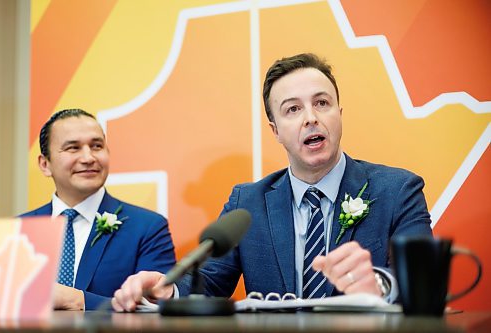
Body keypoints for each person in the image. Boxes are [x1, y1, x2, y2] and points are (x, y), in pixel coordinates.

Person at [112, 53, 432, 312]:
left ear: (339, 113)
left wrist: (378, 286)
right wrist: (167, 289)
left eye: (322, 103)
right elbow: (208, 281)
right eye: (293, 109)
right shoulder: (247, 202)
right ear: (275, 130)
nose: (311, 118)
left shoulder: (397, 189)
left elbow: (424, 284)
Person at [21, 109, 176, 310]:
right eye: (73, 148)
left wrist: (77, 300)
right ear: (45, 164)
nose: (88, 157)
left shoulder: (148, 228)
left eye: (96, 146)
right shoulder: (20, 229)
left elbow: (156, 311)